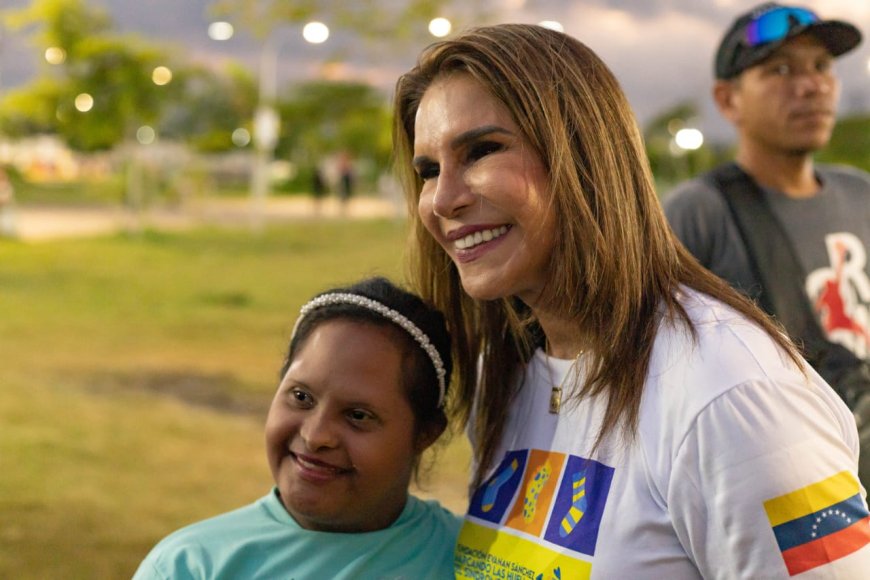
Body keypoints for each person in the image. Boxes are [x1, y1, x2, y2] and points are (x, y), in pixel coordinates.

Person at [392, 23, 870, 578]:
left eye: (482, 150)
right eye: (428, 171)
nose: (443, 199)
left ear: (586, 154)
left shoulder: (735, 396)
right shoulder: (506, 370)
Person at [663, 3, 870, 487]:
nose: (811, 85)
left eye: (822, 67)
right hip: (783, 483)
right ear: (728, 100)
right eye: (780, 69)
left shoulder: (859, 192)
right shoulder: (700, 211)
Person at [132, 277, 461, 579]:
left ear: (425, 434)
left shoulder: (472, 561)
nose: (315, 436)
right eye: (301, 397)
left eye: (358, 416)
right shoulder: (191, 567)